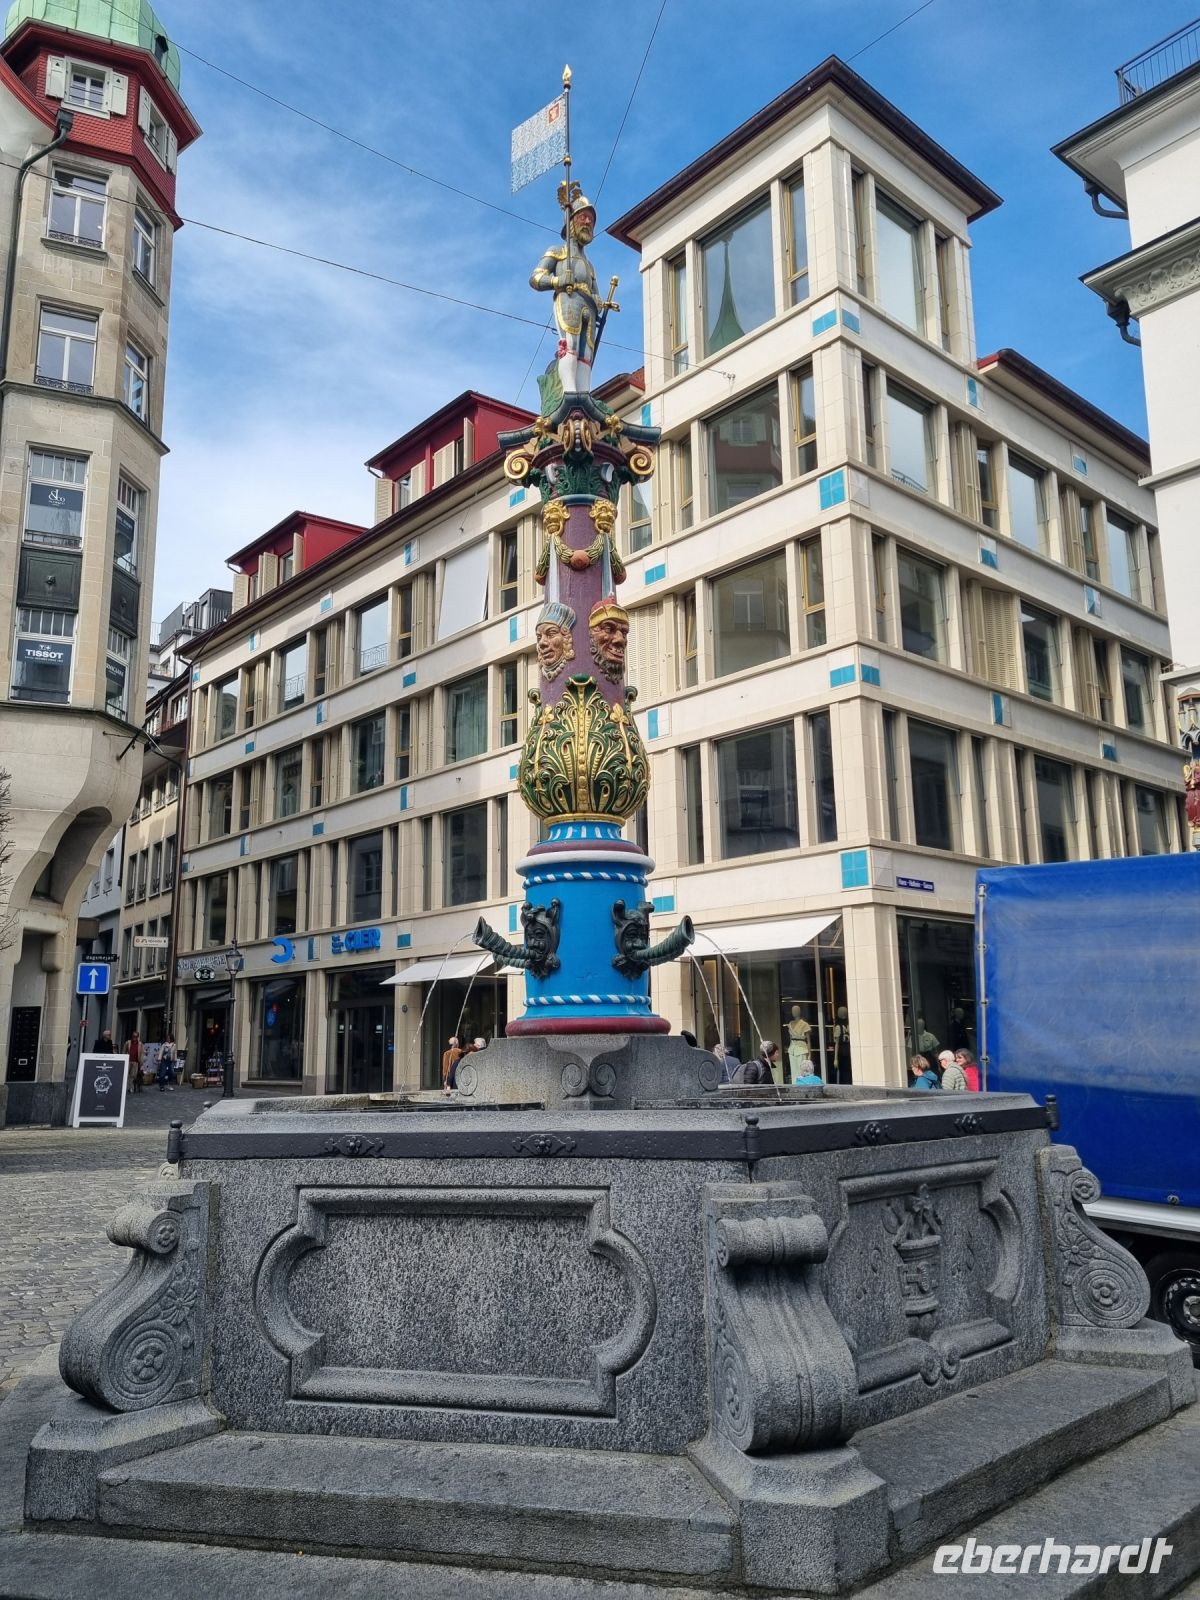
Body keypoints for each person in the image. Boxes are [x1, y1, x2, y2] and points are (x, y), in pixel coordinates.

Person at [785, 1004, 813, 1082]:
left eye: (796, 1010)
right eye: (793, 1010)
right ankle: (794, 1086)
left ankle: (802, 1086)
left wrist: (809, 1053)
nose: (794, 1012)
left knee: (802, 1071)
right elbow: (790, 1038)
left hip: (802, 1049)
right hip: (792, 1049)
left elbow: (808, 1040)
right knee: (793, 1071)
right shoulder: (790, 1024)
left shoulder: (804, 1024)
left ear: (799, 1012)